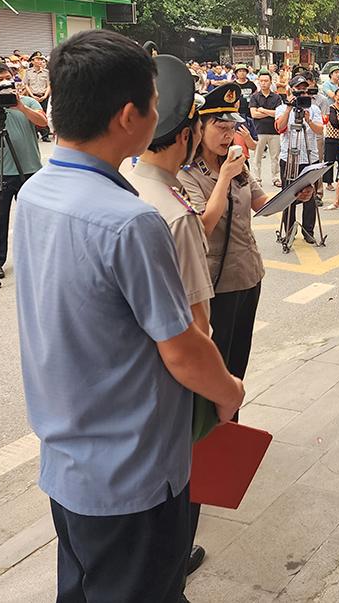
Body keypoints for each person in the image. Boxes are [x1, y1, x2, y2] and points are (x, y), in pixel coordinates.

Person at [14, 30, 243, 602]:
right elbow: (184, 348)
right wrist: (229, 389)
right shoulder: (130, 221)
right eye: (154, 102)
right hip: (133, 476)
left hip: (67, 462)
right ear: (127, 117)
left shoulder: (35, 193)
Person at [123, 54, 217, 579]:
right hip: (166, 398)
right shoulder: (175, 214)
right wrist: (224, 390)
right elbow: (196, 328)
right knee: (176, 508)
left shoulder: (127, 187)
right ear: (184, 137)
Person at [179, 82, 269, 382]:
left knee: (239, 361)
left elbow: (261, 204)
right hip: (217, 282)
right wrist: (224, 178)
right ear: (200, 128)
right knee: (218, 366)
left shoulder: (236, 165)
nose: (229, 135)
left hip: (248, 274)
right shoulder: (187, 173)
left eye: (233, 127)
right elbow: (203, 224)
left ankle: (233, 425)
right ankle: (216, 426)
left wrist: (298, 193)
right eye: (220, 127)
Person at [0, 62, 48, 279]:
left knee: (35, 218)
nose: (5, 82)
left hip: (30, 170)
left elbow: (43, 123)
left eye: (8, 77)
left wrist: (21, 107)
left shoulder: (28, 101)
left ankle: (39, 258)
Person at [274, 75, 325, 243]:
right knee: (288, 196)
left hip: (309, 158)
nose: (301, 94)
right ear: (291, 90)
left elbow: (319, 131)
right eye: (298, 90)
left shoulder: (314, 109)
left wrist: (309, 120)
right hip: (289, 158)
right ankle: (288, 231)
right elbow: (280, 127)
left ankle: (309, 232)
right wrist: (289, 107)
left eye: (304, 90)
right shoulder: (282, 108)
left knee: (310, 197)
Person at [250, 71, 282, 186]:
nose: (263, 83)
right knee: (257, 157)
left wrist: (263, 110)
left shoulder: (277, 97)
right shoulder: (254, 97)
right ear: (258, 81)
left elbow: (278, 114)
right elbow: (254, 114)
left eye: (266, 81)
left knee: (275, 157)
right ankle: (257, 179)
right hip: (259, 131)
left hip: (275, 131)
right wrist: (270, 113)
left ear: (270, 82)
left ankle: (276, 177)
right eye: (261, 81)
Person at [22, 53, 52, 141]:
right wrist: (32, 95)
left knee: (44, 115)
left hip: (43, 95)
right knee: (33, 114)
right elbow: (26, 85)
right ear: (32, 61)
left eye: (41, 59)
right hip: (32, 96)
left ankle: (45, 135)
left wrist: (45, 95)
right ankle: (35, 134)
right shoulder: (28, 72)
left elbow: (49, 85)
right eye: (37, 59)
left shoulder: (46, 72)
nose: (40, 61)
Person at [323, 87, 339, 192]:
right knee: (329, 161)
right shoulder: (331, 108)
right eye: (338, 96)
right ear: (335, 96)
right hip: (331, 138)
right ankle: (329, 183)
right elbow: (334, 122)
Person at [232, 64, 258, 139]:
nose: (242, 73)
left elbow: (255, 94)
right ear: (236, 73)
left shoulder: (251, 84)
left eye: (244, 71)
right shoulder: (234, 84)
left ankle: (254, 139)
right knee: (242, 126)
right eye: (240, 71)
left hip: (250, 108)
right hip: (239, 109)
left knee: (253, 124)